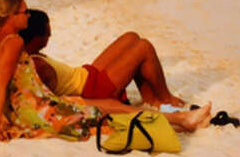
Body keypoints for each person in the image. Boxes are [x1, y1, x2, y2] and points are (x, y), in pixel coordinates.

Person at [0, 0, 210, 143]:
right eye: (24, 12)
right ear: (10, 17)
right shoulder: (14, 42)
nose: (28, 16)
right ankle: (178, 116)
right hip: (40, 110)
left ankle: (173, 113)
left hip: (43, 103)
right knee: (113, 106)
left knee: (130, 48)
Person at [21, 10, 190, 108]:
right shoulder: (38, 65)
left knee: (131, 37)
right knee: (143, 47)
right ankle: (166, 97)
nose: (50, 36)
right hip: (93, 90)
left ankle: (151, 99)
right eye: (47, 34)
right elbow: (52, 102)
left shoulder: (31, 52)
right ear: (36, 37)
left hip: (86, 74)